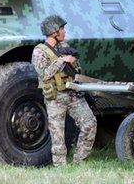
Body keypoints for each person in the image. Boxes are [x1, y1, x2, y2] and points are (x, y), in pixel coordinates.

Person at [31, 15, 97, 166]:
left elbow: (78, 70)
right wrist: (62, 60)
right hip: (55, 96)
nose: (64, 32)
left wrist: (73, 63)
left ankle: (80, 161)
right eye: (61, 29)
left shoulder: (64, 47)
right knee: (57, 135)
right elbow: (44, 74)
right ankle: (60, 167)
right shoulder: (39, 51)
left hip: (73, 94)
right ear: (53, 32)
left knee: (90, 123)